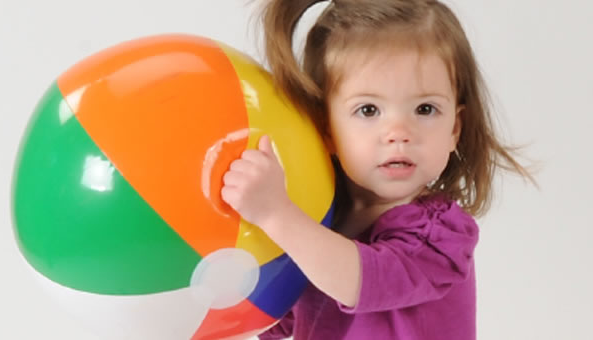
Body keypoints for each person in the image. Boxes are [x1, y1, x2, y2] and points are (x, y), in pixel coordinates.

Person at [220, 0, 534, 339]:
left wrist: (276, 215)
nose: (399, 132)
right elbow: (277, 316)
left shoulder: (442, 236)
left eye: (425, 109)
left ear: (455, 129)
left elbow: (360, 280)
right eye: (368, 110)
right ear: (326, 129)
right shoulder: (317, 223)